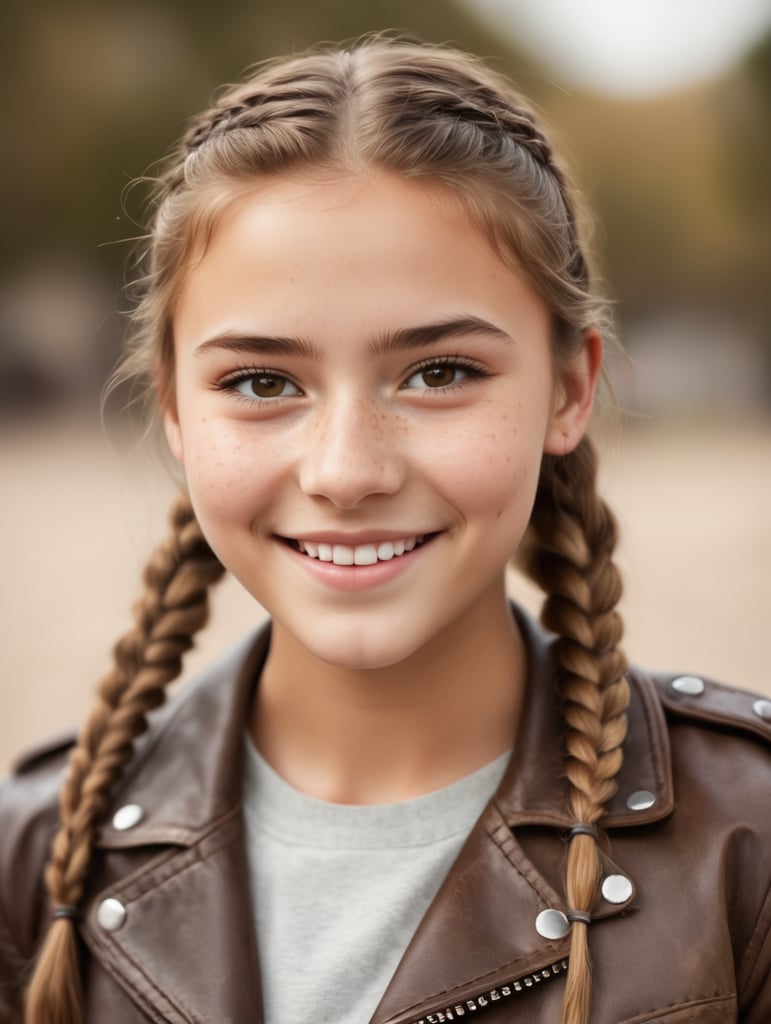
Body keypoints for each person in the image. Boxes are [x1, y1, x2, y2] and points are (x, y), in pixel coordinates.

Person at [1, 35, 770, 1024]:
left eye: (440, 371)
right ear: (177, 413)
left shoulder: (744, 843)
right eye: (262, 383)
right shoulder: (34, 859)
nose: (347, 471)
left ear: (569, 388)